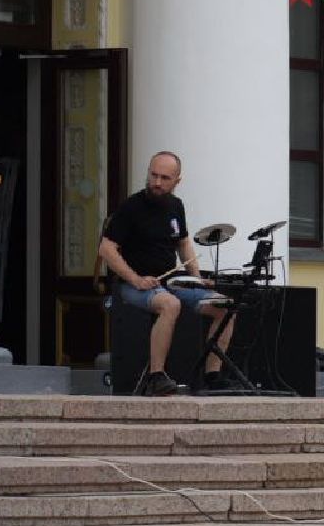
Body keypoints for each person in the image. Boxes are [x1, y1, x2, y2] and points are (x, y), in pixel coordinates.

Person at [98, 151, 235, 397]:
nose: (157, 183)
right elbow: (106, 249)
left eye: (164, 178)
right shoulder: (132, 207)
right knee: (169, 304)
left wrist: (196, 279)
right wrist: (136, 279)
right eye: (153, 175)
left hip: (170, 282)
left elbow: (183, 244)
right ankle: (156, 377)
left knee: (224, 307)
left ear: (177, 181)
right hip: (134, 286)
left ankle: (212, 375)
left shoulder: (175, 206)